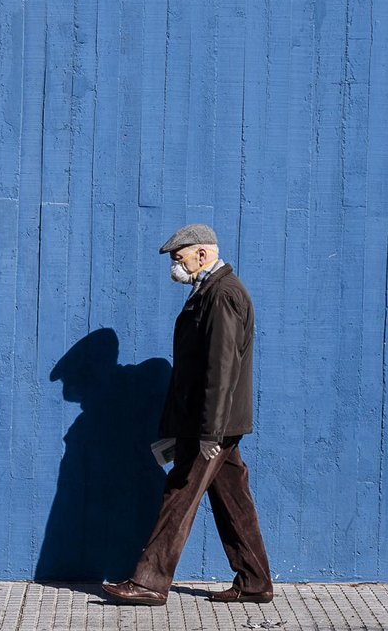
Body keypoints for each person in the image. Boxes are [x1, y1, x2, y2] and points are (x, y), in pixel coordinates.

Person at [101, 224, 275, 605]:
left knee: (180, 493)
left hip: (209, 425)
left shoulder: (223, 294)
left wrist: (209, 431)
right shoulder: (210, 292)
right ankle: (255, 581)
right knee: (233, 499)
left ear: (201, 253)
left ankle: (149, 581)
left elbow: (222, 367)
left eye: (179, 260)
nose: (175, 269)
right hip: (214, 422)